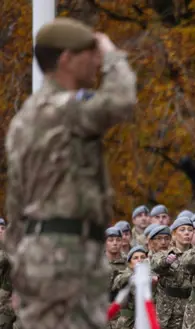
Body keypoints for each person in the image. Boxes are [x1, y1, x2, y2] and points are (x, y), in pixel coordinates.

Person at [4, 17, 136, 329]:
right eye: (89, 54)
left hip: (46, 255)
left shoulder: (25, 119)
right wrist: (113, 56)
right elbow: (122, 100)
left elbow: (16, 203)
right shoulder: (65, 110)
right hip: (65, 257)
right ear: (66, 59)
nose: (96, 62)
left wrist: (19, 266)